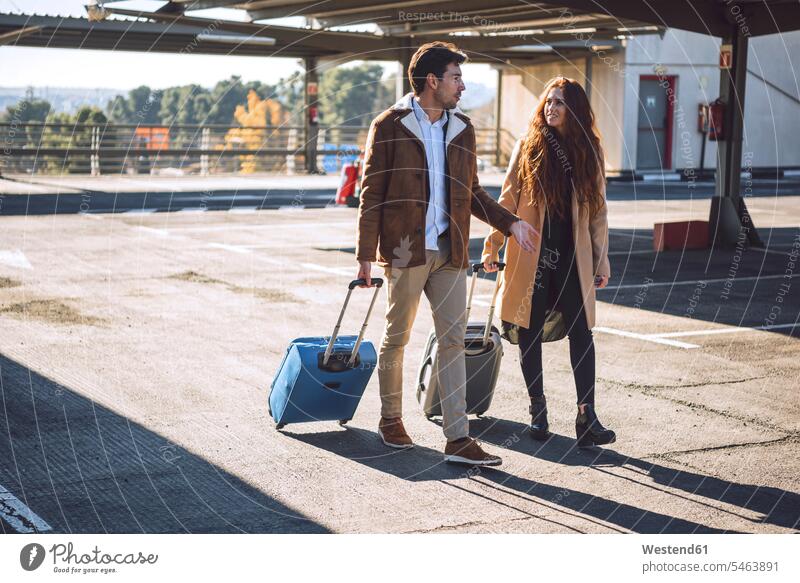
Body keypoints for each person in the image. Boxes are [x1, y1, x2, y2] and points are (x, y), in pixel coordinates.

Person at [356, 42, 538, 466]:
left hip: (451, 251)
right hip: (404, 250)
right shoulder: (390, 125)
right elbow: (372, 195)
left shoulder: (463, 128)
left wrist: (509, 222)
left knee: (453, 341)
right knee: (396, 338)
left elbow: (473, 192)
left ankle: (458, 438)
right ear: (433, 81)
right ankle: (391, 418)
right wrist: (366, 255)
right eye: (456, 77)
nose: (463, 85)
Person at [481, 76, 616, 448]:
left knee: (582, 334)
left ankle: (586, 417)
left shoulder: (590, 152)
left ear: (575, 111)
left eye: (560, 103)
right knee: (529, 329)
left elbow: (598, 213)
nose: (551, 108)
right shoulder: (529, 146)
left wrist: (601, 261)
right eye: (549, 102)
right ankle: (537, 408)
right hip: (531, 255)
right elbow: (507, 201)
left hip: (574, 259)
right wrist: (492, 246)